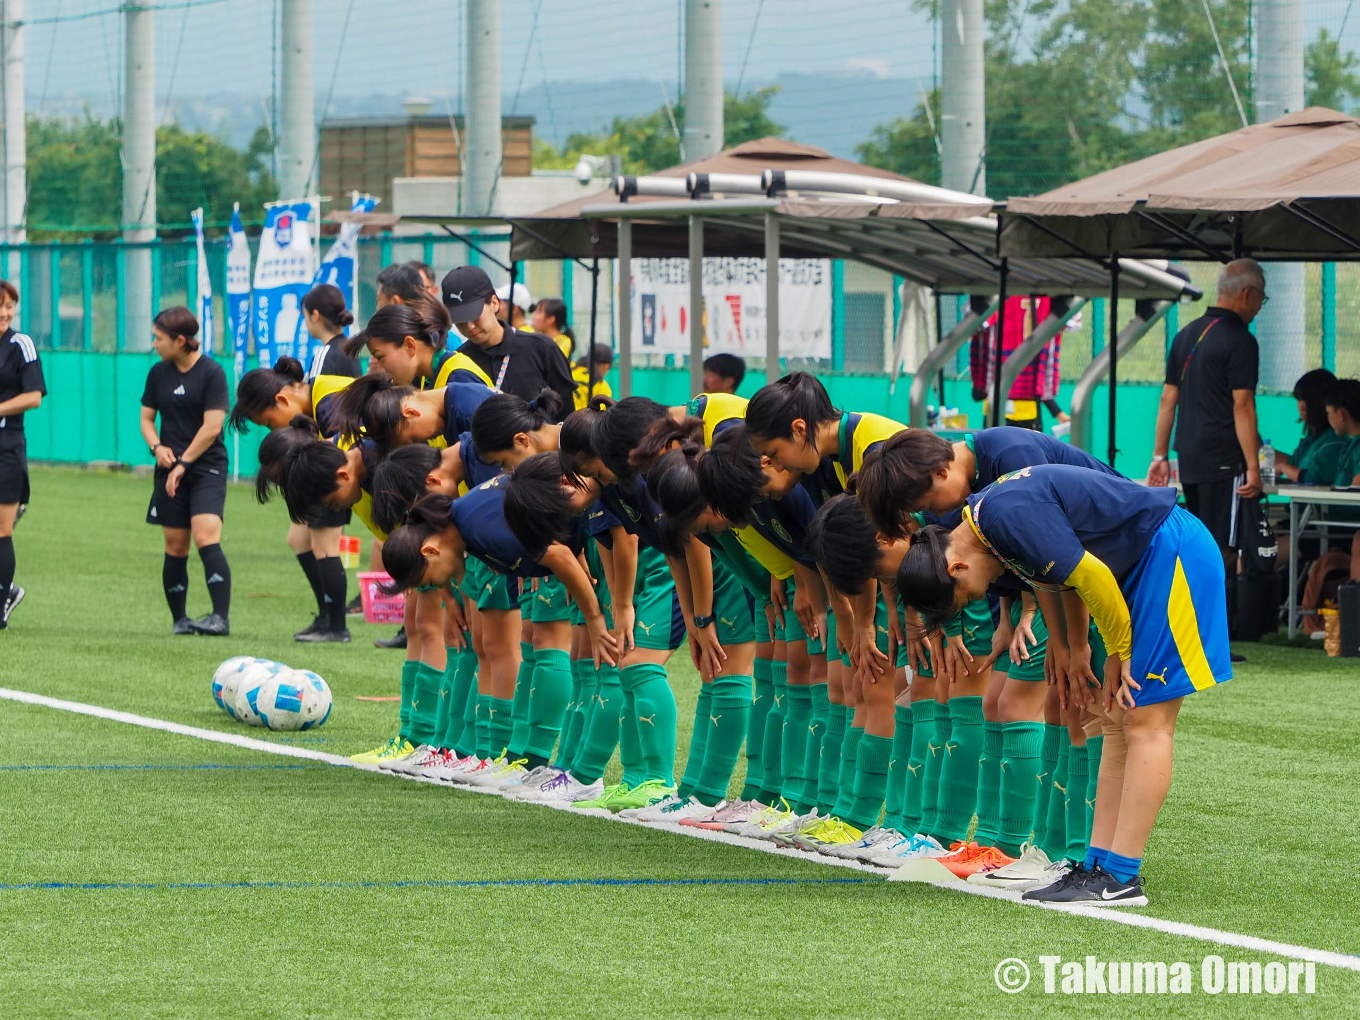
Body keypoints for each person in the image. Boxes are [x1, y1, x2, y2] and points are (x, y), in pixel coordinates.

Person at [895, 463, 1232, 906]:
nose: (980, 598)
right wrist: (1071, 645)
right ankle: (1100, 866)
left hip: (1171, 553)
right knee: (1115, 720)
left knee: (1145, 722)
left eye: (966, 597)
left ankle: (1121, 876)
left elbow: (1089, 576)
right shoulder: (986, 523)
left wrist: (1117, 651)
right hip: (1146, 564)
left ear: (956, 566)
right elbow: (1055, 581)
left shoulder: (998, 517)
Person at [1148, 259, 1264, 662]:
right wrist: (1253, 465)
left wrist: (1160, 455)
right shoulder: (1241, 340)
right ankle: (1215, 643)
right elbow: (1243, 404)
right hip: (1224, 460)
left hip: (1189, 458)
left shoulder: (1186, 334)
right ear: (1247, 294)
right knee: (1224, 550)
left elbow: (1167, 400)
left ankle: (1191, 634)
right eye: (1261, 299)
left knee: (1198, 544)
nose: (1259, 307)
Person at [228, 357, 356, 641]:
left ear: (282, 399)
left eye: (269, 422)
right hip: (330, 477)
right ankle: (326, 617)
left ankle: (337, 626)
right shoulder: (314, 408)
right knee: (298, 539)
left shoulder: (329, 404)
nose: (274, 431)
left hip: (339, 479)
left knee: (326, 545)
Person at [138, 307, 232, 636]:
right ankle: (180, 620)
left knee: (206, 535)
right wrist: (157, 448)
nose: (154, 344)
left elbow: (212, 426)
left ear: (180, 341)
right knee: (175, 545)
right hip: (169, 467)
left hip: (206, 466)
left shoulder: (212, 373)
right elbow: (147, 419)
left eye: (158, 338)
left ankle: (220, 618)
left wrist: (183, 463)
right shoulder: (158, 373)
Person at [442, 266, 576, 412]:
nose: (470, 327)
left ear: (494, 303)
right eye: (460, 320)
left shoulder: (541, 349)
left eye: (475, 316)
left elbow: (567, 416)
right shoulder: (458, 364)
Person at [0, 280, 44, 629]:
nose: (5, 312)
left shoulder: (21, 345)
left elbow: (34, 397)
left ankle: (2, 602)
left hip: (6, 447)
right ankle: (10, 590)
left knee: (2, 531)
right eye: (0, 306)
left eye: (10, 306)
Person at [1277, 369, 1343, 484]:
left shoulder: (1335, 440)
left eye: (1307, 400)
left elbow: (1311, 477)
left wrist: (1283, 467)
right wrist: (1258, 445)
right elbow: (1292, 463)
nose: (1301, 407)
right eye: (1298, 400)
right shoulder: (1312, 438)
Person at [301, 284, 361, 381]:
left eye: (305, 316)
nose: (306, 322)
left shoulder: (324, 354)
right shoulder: (351, 350)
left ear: (315, 316)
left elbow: (314, 395)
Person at [573, 343, 614, 410]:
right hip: (581, 419)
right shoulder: (602, 387)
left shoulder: (570, 369)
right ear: (607, 366)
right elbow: (601, 415)